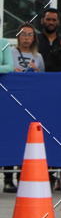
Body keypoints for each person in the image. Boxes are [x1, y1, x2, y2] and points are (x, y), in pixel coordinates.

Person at [1, 35, 16, 192]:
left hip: (3, 96)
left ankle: (8, 179)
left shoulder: (4, 43)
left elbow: (9, 66)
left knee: (5, 135)